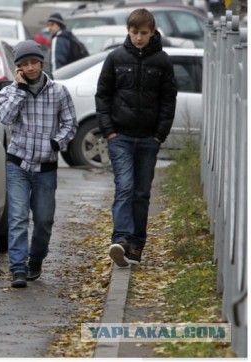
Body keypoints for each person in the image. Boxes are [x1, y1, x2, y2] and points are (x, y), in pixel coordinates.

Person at [95, 8, 177, 268]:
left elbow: (168, 99)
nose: (138, 38)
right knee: (125, 188)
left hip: (148, 140)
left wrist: (158, 135)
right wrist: (109, 130)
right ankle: (119, 241)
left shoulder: (162, 61)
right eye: (134, 32)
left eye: (143, 33)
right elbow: (103, 95)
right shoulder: (115, 58)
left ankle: (136, 246)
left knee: (141, 194)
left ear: (152, 32)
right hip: (120, 137)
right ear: (128, 32)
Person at [0, 40, 77, 288]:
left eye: (34, 62)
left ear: (42, 63)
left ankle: (36, 259)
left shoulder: (59, 91)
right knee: (18, 218)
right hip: (18, 165)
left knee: (43, 221)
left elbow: (70, 124)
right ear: (18, 68)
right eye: (25, 64)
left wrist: (57, 143)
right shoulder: (9, 92)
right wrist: (20, 90)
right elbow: (5, 118)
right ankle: (18, 269)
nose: (30, 68)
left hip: (46, 168)